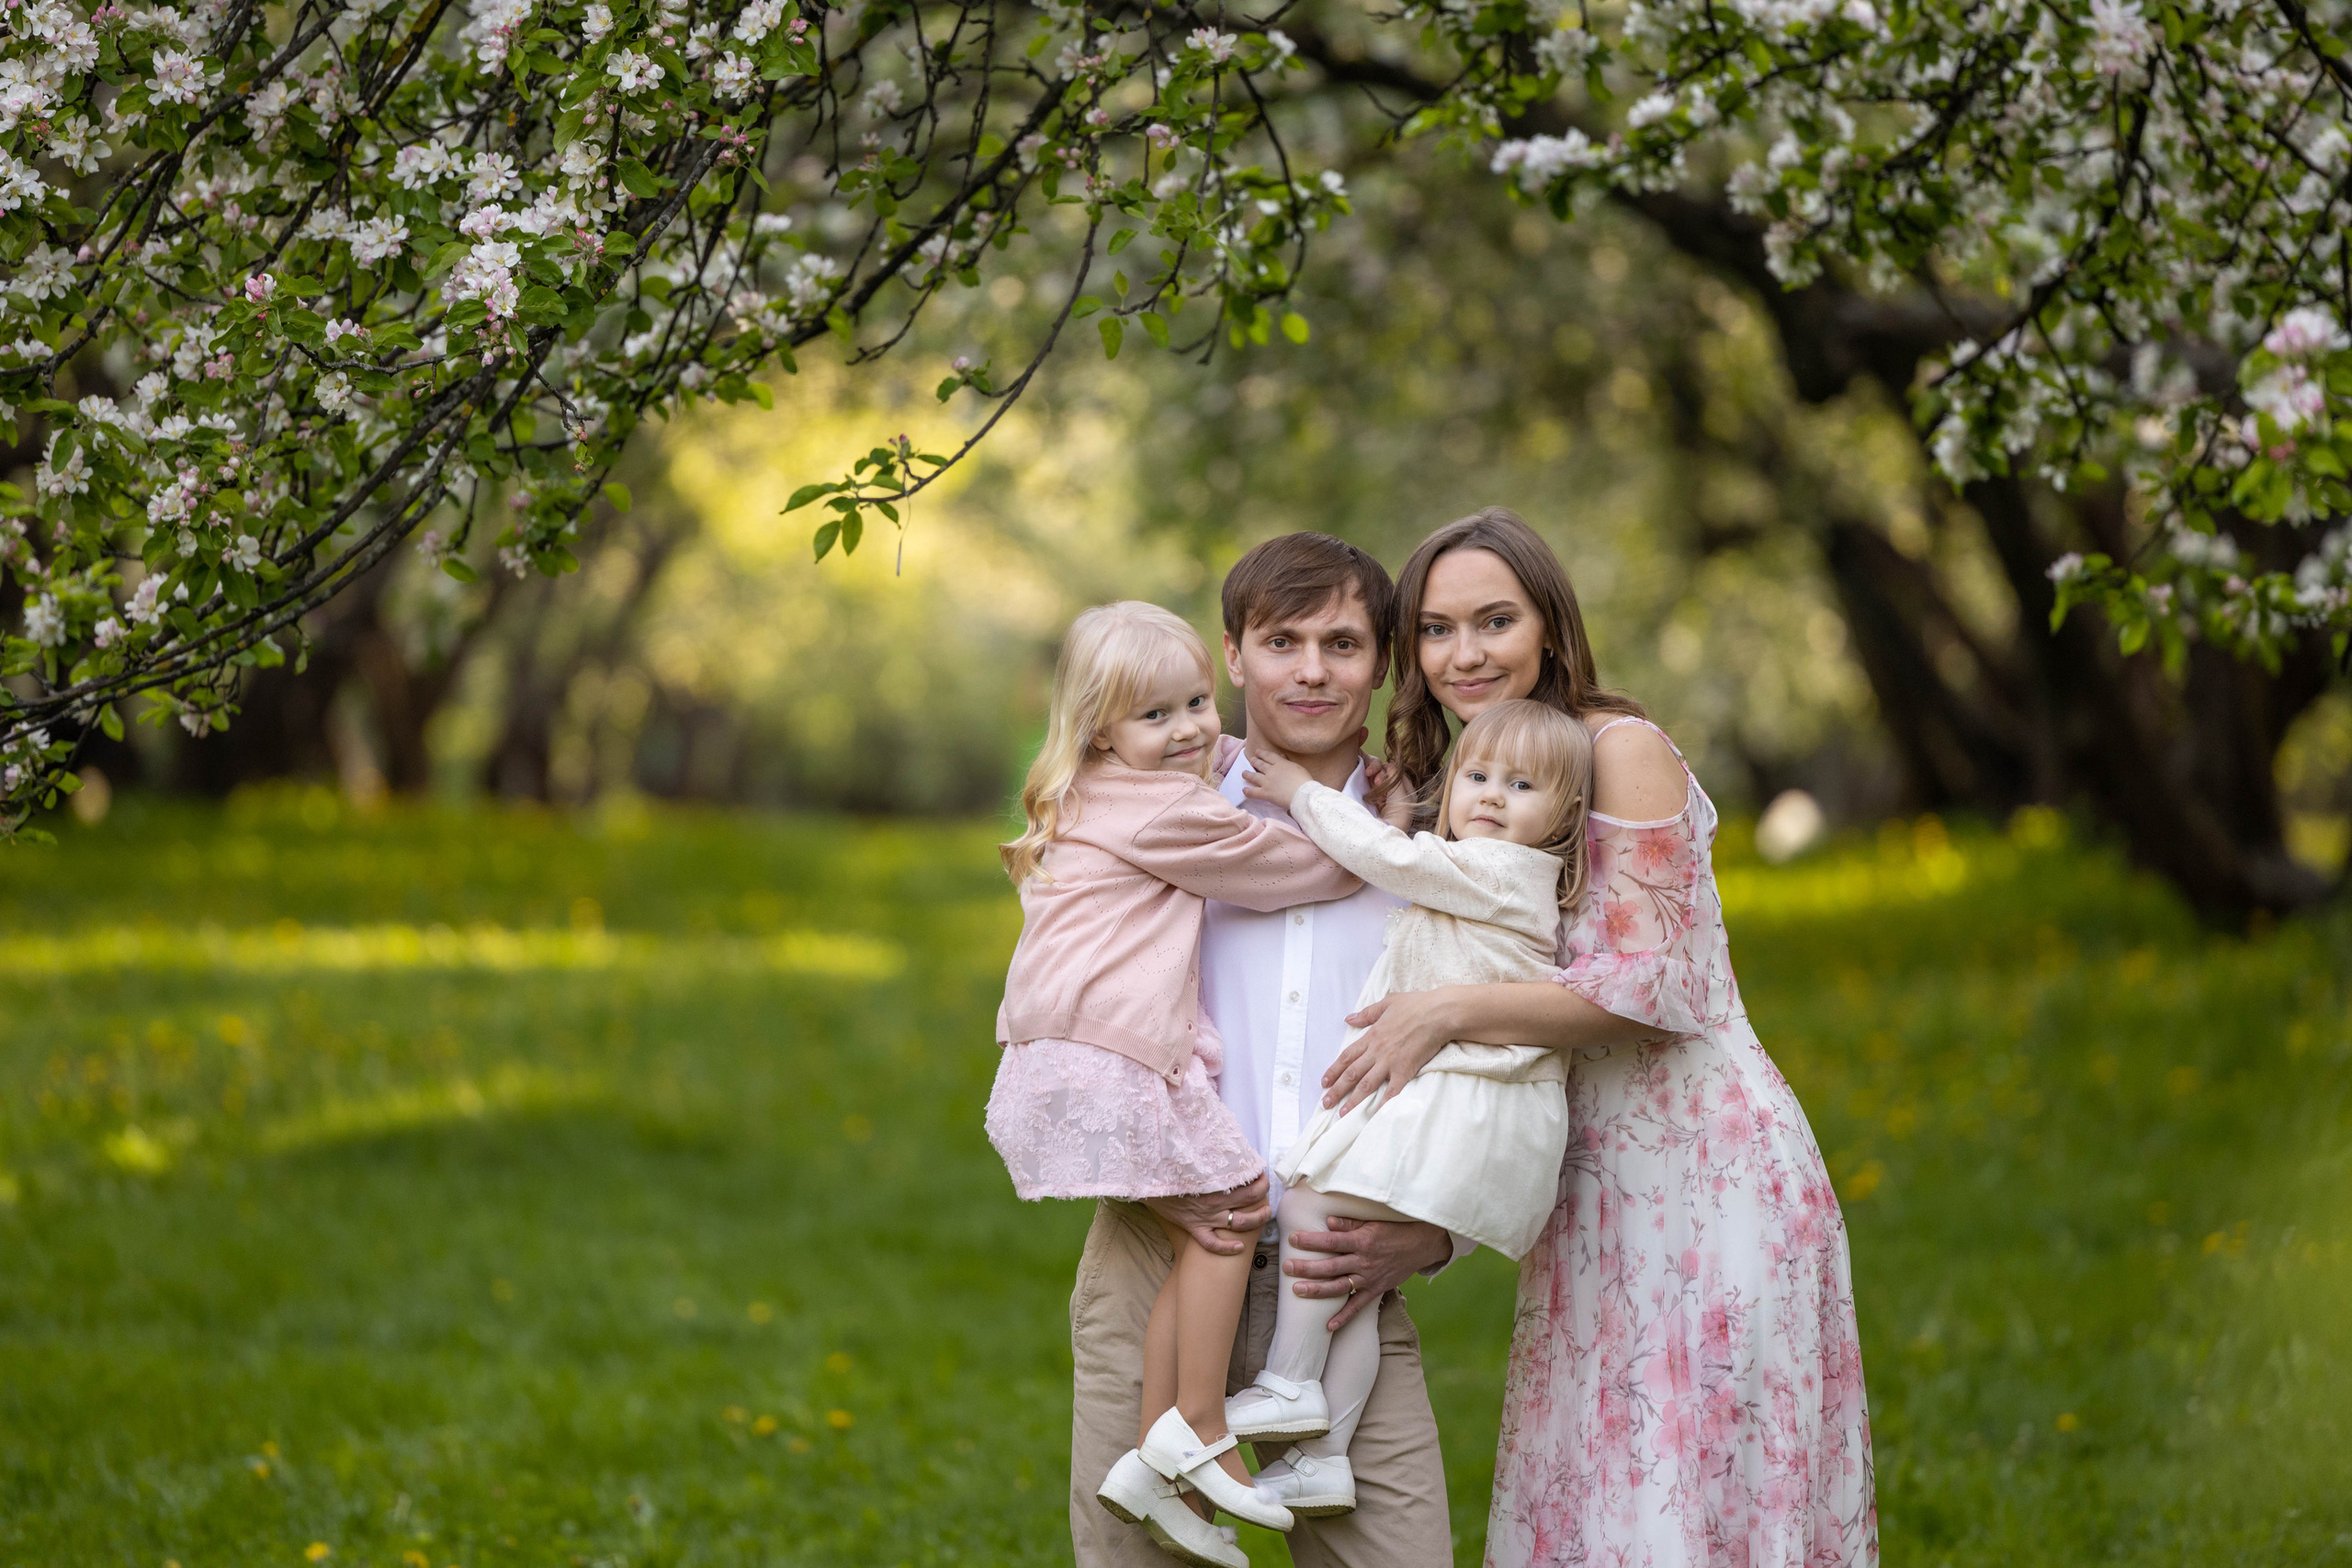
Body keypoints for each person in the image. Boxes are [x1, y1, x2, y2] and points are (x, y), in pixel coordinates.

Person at [1327, 508, 1877, 1566]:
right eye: (1436, 630)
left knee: (1692, 1499)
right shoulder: (1482, 790)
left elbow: (1655, 989)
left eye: (1494, 620)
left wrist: (1443, 1013)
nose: (1465, 652)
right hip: (1586, 1194)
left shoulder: (1616, 750)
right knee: (1602, 1494)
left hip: (1709, 1177)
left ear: (1548, 626)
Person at [1068, 534, 1460, 1568]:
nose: (1312, 671)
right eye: (1281, 641)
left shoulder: (1432, 835)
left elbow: (1496, 1052)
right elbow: (1064, 1018)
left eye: (1342, 642)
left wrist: (1438, 1236)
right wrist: (1145, 1177)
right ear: (1232, 656)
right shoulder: (1151, 806)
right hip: (1160, 1251)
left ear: (1383, 662)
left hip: (1343, 1280)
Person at [986, 600, 1366, 1563]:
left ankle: (1156, 1455)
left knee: (1210, 1216)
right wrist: (1377, 825)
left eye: (1198, 702)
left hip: (1053, 1063)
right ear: (1099, 729)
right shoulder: (1160, 806)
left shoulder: (1093, 792)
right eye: (1157, 717)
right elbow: (1292, 870)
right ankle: (1199, 1424)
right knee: (1236, 1207)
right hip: (1107, 1062)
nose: (1194, 728)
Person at [1222, 700, 1594, 1472]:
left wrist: (1300, 793)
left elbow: (1390, 858)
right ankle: (1323, 1458)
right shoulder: (1483, 873)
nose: (1492, 794)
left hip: (1462, 1099)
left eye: (1522, 785)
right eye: (1479, 775)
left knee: (1306, 1207)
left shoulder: (1504, 871)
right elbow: (1411, 852)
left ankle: (1291, 1385)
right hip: (1459, 1097)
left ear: (1565, 816)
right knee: (1345, 1268)